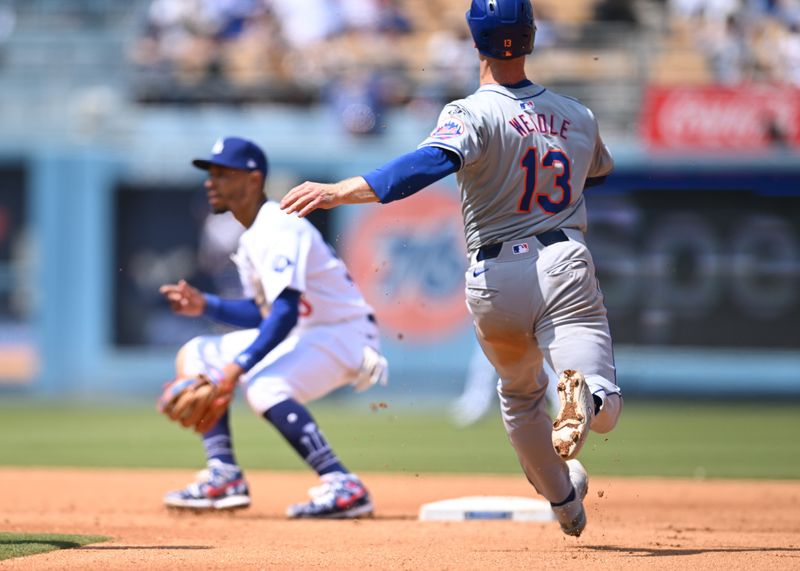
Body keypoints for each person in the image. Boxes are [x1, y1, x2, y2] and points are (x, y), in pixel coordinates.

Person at [280, 0, 623, 537]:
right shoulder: (578, 115)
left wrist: (340, 190)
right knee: (600, 395)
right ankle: (588, 396)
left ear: (474, 41)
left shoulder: (469, 111)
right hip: (561, 259)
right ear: (531, 37)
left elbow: (423, 166)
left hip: (493, 277)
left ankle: (564, 504)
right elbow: (596, 173)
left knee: (518, 397)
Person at [159, 136, 388, 519]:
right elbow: (265, 314)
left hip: (345, 332)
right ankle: (224, 475)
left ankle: (342, 484)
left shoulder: (280, 226)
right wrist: (207, 305)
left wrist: (234, 371)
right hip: (308, 332)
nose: (209, 182)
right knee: (198, 353)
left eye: (221, 173)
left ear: (253, 180)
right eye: (209, 173)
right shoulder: (251, 238)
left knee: (264, 385)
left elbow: (282, 317)